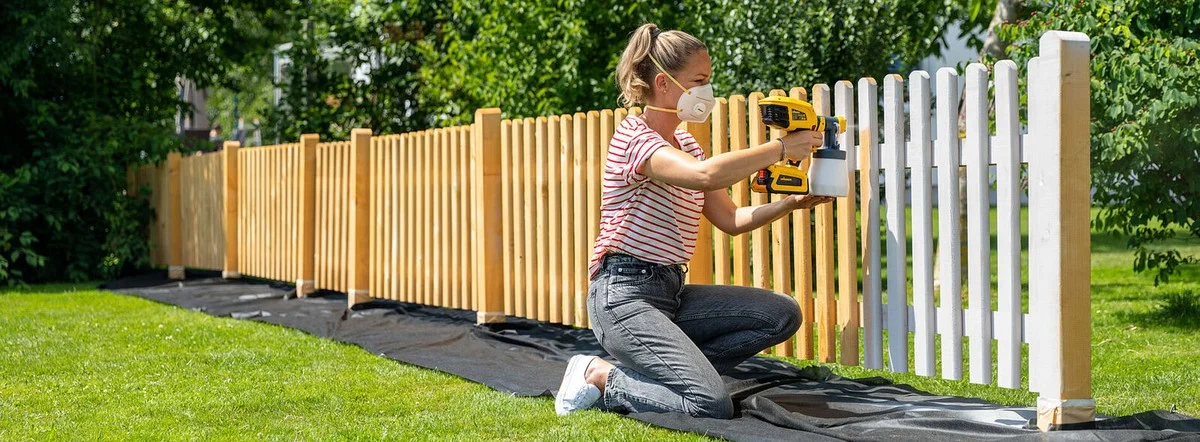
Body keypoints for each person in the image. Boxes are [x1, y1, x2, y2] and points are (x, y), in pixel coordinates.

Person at [554, 23, 834, 419]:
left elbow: (732, 218)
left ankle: (669, 375)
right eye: (699, 81)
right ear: (665, 84)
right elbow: (707, 176)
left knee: (781, 314)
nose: (708, 92)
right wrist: (781, 147)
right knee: (711, 403)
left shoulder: (686, 144)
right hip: (623, 297)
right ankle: (600, 375)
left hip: (672, 292)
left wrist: (789, 204)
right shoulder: (636, 138)